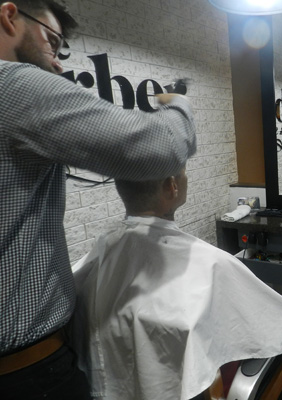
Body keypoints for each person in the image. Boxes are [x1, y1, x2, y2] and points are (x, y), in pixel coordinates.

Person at [0, 1, 196, 398]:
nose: (56, 61)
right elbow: (158, 148)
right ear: (9, 16)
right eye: (51, 40)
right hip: (26, 372)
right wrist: (180, 105)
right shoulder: (11, 84)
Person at [69, 165, 282, 400]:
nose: (187, 177)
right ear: (172, 187)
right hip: (199, 389)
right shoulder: (213, 263)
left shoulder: (98, 255)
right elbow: (271, 317)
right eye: (184, 171)